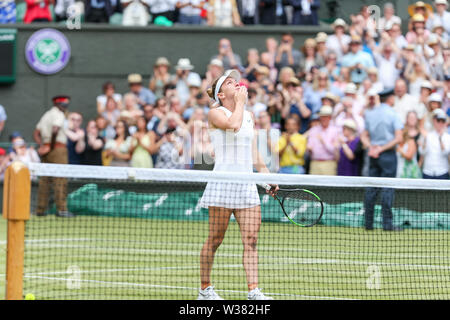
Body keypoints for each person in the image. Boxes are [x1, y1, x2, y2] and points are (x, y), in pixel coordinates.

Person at [198, 70, 277, 300]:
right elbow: (233, 125)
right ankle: (205, 290)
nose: (237, 83)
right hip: (222, 184)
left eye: (236, 81)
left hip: (246, 187)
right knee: (215, 239)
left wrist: (266, 178)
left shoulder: (249, 116)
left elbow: (254, 154)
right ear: (221, 94)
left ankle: (254, 291)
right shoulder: (215, 113)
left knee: (251, 240)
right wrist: (241, 102)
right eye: (231, 83)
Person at [360, 89, 403, 231]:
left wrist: (371, 148)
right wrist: (381, 149)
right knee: (387, 189)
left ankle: (368, 224)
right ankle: (387, 225)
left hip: (374, 155)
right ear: (390, 98)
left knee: (371, 189)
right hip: (387, 155)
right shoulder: (393, 114)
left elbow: (364, 136)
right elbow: (399, 138)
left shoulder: (369, 113)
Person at [33, 95, 74, 217]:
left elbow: (36, 133)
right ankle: (62, 209)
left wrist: (42, 146)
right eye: (64, 105)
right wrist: (50, 147)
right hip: (57, 150)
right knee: (60, 179)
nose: (65, 107)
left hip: (47, 149)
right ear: (59, 105)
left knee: (44, 180)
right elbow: (55, 130)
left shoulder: (46, 114)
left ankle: (40, 210)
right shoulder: (59, 114)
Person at [306, 105, 339, 175]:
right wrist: (309, 149)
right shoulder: (313, 130)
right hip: (315, 163)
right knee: (313, 185)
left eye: (326, 117)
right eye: (322, 117)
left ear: (330, 118)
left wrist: (323, 142)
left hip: (329, 163)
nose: (323, 119)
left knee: (329, 185)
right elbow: (309, 146)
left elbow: (334, 150)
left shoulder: (335, 131)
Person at [419, 109, 450, 179]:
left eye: (443, 121)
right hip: (428, 171)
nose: (440, 123)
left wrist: (440, 139)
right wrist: (425, 139)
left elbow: (445, 152)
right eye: (438, 120)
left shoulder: (448, 137)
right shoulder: (427, 135)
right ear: (433, 121)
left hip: (442, 172)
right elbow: (422, 152)